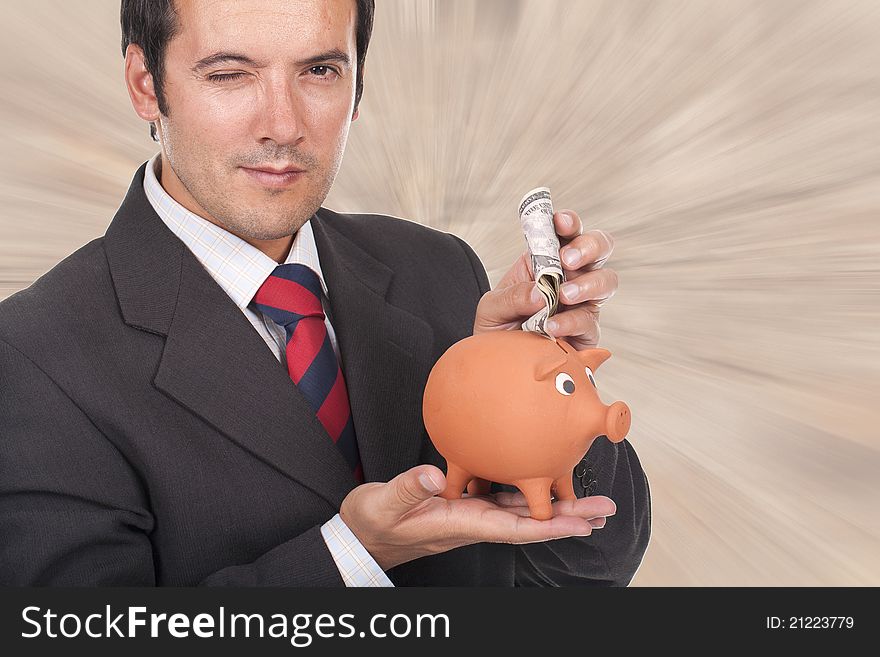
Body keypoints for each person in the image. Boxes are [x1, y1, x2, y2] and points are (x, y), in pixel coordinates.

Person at [0, 0, 650, 586]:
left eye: (319, 71)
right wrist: (353, 556)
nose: (283, 124)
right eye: (229, 74)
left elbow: (583, 576)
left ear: (359, 82)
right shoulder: (31, 358)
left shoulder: (439, 270)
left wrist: (547, 392)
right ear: (147, 85)